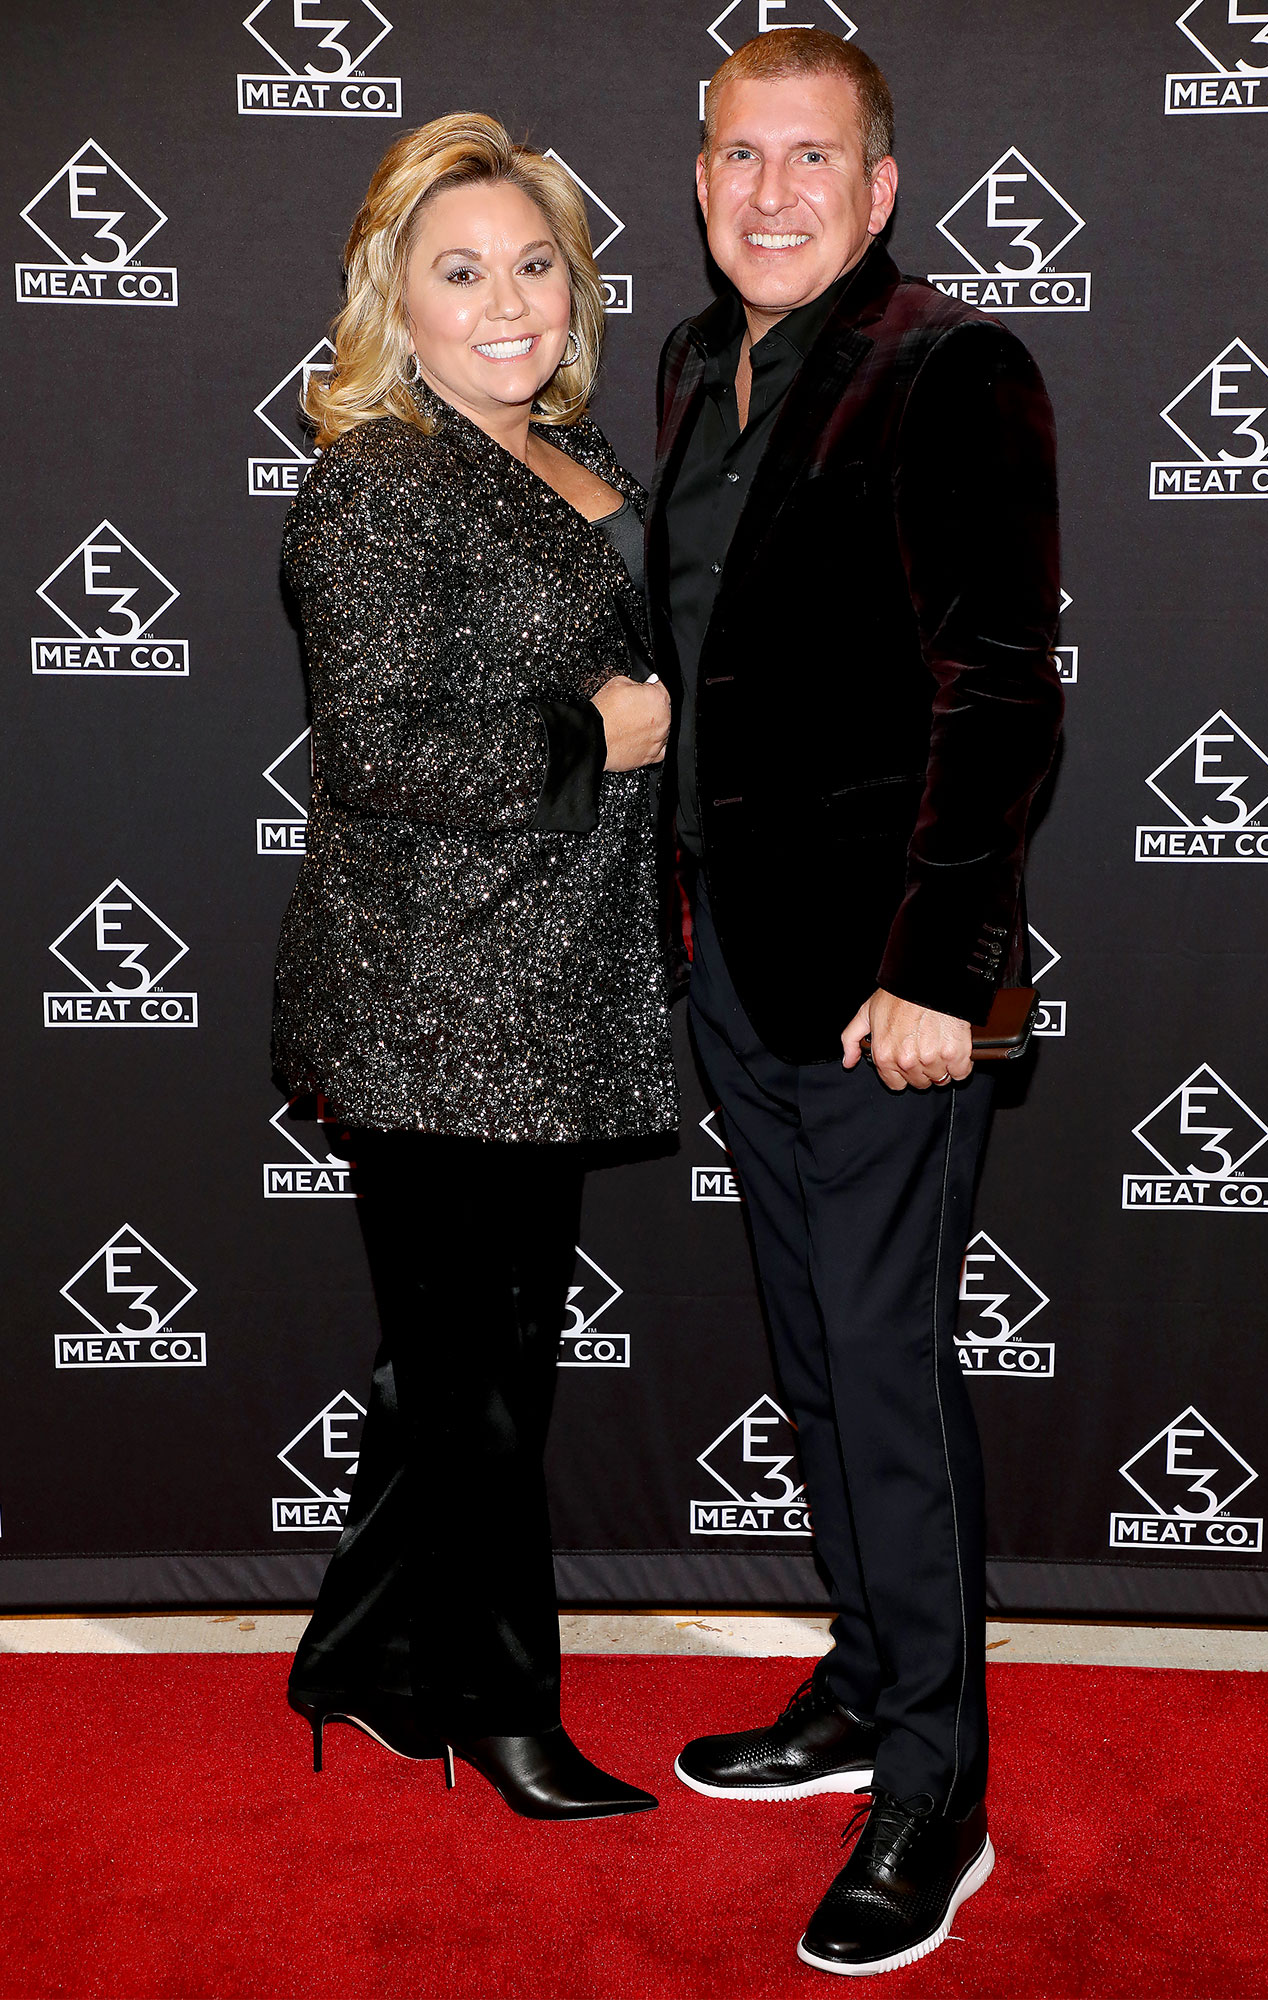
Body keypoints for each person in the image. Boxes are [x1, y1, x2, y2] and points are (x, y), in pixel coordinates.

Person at [648, 29, 1062, 1974]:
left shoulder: (950, 367)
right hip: (734, 964)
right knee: (819, 1361)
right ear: (700, 178)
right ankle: (868, 1675)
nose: (772, 191)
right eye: (741, 155)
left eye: (812, 157)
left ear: (879, 187)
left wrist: (934, 968)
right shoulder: (691, 366)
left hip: (882, 992)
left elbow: (999, 687)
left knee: (884, 1377)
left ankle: (935, 1791)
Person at [272, 113, 675, 1821]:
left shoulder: (577, 453)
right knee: (484, 1384)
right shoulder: (376, 479)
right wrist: (598, 739)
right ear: (396, 300)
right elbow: (375, 747)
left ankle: (359, 1662)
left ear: (575, 289)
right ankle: (498, 1711)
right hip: (432, 993)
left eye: (533, 265)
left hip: (556, 976)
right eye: (461, 271)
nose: (507, 303)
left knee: (466, 1365)